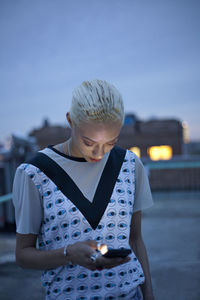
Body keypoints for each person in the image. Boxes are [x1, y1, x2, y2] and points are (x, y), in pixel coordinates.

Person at [12, 79, 154, 300]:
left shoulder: (130, 164)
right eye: (88, 142)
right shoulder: (35, 173)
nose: (99, 153)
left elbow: (136, 240)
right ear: (70, 120)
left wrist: (150, 295)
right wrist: (68, 254)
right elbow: (22, 256)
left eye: (110, 142)